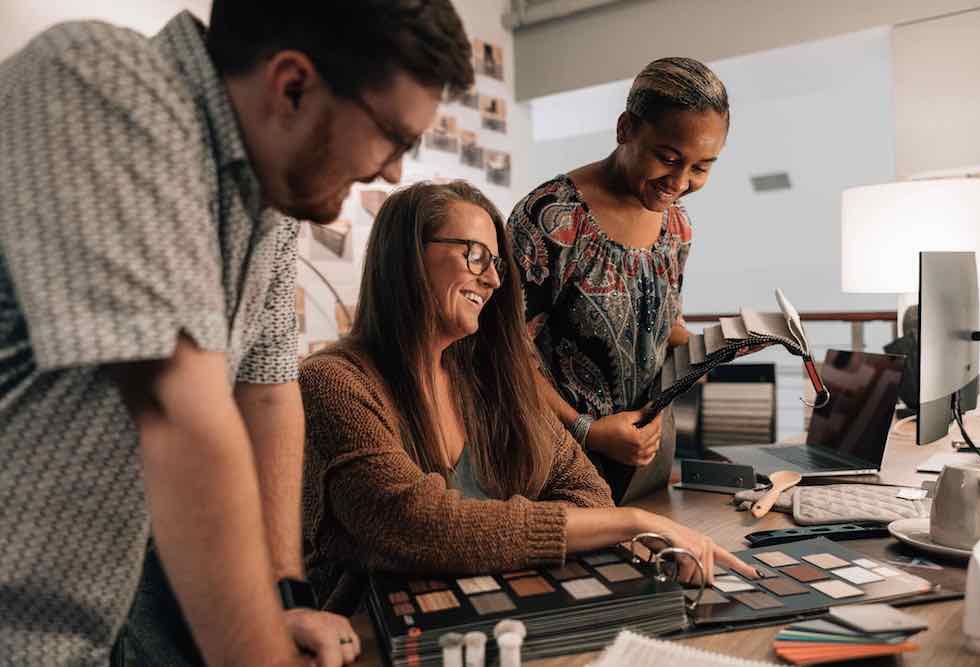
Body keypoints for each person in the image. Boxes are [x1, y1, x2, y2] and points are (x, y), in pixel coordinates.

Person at [0, 2, 472, 666]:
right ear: (293, 86)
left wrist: (286, 596)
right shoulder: (100, 79)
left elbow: (269, 390)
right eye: (392, 137)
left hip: (95, 616)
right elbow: (180, 413)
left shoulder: (271, 195)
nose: (394, 171)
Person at [298, 181, 758, 612]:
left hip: (499, 611)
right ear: (405, 258)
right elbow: (414, 524)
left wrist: (493, 535)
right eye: (475, 255)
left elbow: (587, 491)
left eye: (496, 264)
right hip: (373, 633)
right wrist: (635, 521)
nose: (494, 281)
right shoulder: (333, 382)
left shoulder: (487, 378)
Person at [507, 57, 729, 502]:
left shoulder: (678, 227)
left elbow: (664, 325)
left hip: (647, 457)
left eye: (701, 167)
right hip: (557, 461)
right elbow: (505, 349)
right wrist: (586, 429)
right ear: (625, 128)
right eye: (668, 158)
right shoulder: (551, 217)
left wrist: (712, 349)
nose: (680, 182)